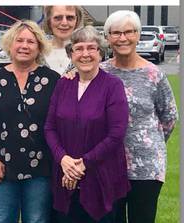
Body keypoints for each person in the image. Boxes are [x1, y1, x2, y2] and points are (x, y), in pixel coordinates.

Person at [44, 26, 130, 222]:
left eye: (91, 48)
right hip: (64, 178)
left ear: (100, 53)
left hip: (102, 178)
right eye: (79, 48)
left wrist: (82, 164)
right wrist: (63, 159)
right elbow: (49, 127)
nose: (85, 54)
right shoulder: (63, 84)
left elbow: (117, 133)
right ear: (71, 54)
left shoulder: (113, 85)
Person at [0, 20, 58, 223]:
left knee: (37, 220)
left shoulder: (53, 80)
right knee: (3, 219)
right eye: (19, 40)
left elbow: (60, 123)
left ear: (39, 47)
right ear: (10, 44)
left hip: (41, 169)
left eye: (31, 41)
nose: (24, 46)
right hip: (2, 168)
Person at [100, 10, 178, 223]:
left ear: (138, 34)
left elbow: (169, 117)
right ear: (107, 37)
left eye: (129, 32)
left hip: (146, 166)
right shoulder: (99, 73)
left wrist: (149, 141)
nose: (122, 38)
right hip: (108, 164)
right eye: (115, 33)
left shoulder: (154, 74)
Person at [42, 5, 85, 75]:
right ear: (49, 20)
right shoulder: (37, 49)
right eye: (58, 18)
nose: (64, 23)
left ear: (77, 20)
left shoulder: (87, 51)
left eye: (70, 18)